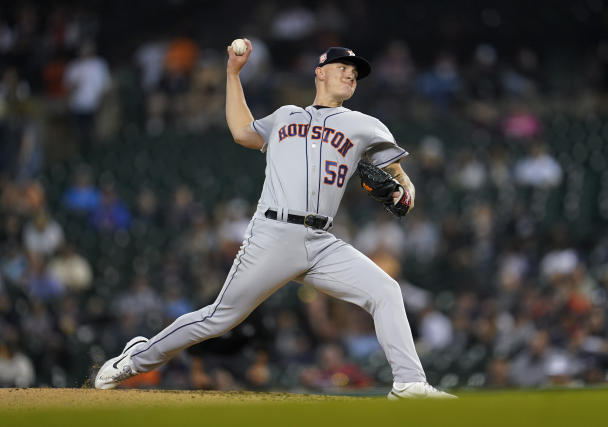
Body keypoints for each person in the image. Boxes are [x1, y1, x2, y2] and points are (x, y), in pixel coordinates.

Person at [95, 40, 454, 399]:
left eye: (355, 72)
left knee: (386, 290)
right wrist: (233, 74)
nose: (350, 74)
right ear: (320, 73)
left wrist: (404, 193)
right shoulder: (286, 116)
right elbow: (241, 131)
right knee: (219, 318)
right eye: (342, 67)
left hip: (322, 241)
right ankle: (135, 360)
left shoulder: (365, 126)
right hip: (274, 232)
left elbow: (400, 176)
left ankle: (409, 383)